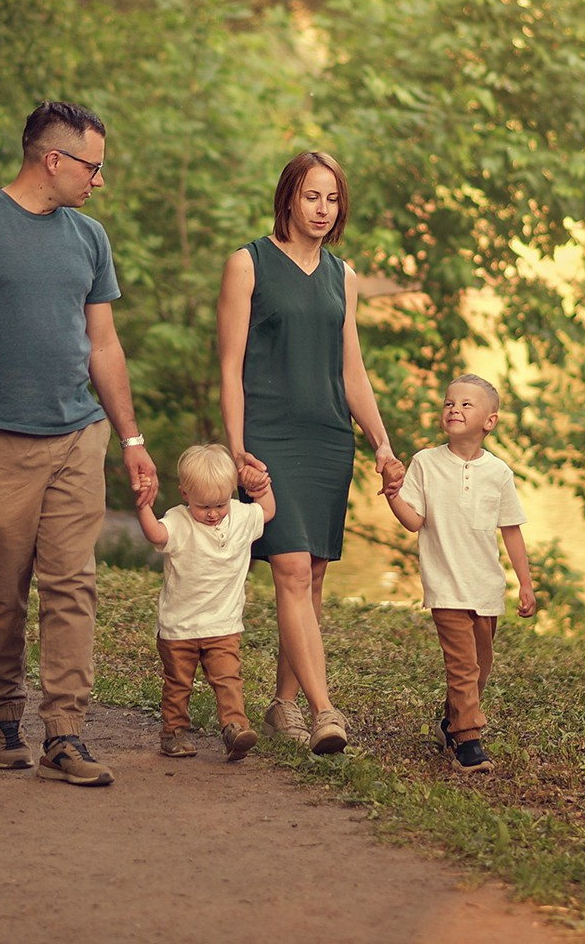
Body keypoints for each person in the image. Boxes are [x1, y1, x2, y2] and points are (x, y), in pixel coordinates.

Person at [0, 101, 160, 788]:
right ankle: (3, 718)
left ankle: (66, 732)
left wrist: (131, 438)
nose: (98, 180)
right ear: (54, 159)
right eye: (93, 166)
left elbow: (103, 344)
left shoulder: (89, 237)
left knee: (72, 581)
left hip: (78, 435)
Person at [216, 149, 403, 756]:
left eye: (332, 199)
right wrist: (238, 449)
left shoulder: (341, 275)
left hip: (327, 437)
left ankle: (284, 706)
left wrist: (381, 442)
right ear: (288, 197)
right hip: (268, 436)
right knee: (292, 571)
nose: (323, 209)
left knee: (312, 578)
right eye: (312, 196)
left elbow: (351, 368)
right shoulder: (247, 265)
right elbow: (229, 364)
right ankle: (326, 711)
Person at [380, 374, 538, 773]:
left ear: (490, 421)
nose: (455, 409)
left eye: (467, 404)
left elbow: (511, 530)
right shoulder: (425, 463)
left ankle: (451, 722)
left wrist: (526, 583)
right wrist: (394, 493)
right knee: (462, 665)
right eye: (450, 402)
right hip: (446, 585)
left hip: (486, 588)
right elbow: (413, 521)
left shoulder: (499, 472)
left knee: (480, 666)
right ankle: (469, 741)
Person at [137, 444, 275, 762]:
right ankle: (173, 733)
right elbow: (156, 535)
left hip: (223, 625)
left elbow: (266, 511)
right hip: (179, 628)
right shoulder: (178, 521)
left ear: (230, 494)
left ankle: (234, 728)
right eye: (203, 507)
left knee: (228, 679)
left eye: (219, 504)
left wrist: (261, 487)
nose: (212, 513)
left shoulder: (240, 515)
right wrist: (144, 505)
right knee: (178, 683)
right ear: (185, 494)